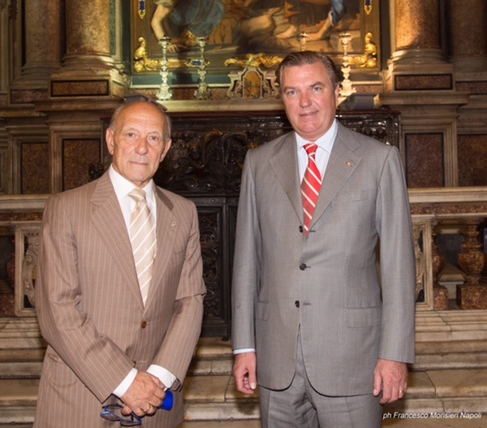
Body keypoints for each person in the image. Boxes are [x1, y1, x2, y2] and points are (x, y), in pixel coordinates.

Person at [231, 50, 415, 428]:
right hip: (275, 358)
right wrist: (244, 345)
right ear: (282, 99)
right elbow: (247, 261)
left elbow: (399, 268)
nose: (305, 102)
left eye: (315, 88)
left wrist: (395, 354)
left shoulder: (378, 160)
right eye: (292, 92)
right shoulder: (259, 163)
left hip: (353, 359)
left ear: (336, 91)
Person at [34, 100, 206, 427]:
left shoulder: (184, 213)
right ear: (111, 140)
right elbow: (58, 308)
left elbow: (190, 300)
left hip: (156, 404)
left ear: (165, 149)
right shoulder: (67, 208)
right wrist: (126, 382)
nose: (142, 148)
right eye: (131, 135)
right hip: (81, 398)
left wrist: (158, 379)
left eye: (153, 138)